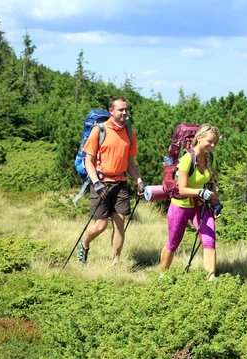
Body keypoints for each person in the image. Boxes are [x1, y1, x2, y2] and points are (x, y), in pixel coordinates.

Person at [77, 96, 145, 265]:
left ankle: (115, 264)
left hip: (121, 183)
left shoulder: (130, 132)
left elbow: (130, 163)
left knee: (119, 224)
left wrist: (139, 181)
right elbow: (88, 161)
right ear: (111, 111)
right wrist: (96, 183)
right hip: (101, 182)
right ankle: (84, 244)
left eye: (126, 109)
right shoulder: (100, 130)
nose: (124, 112)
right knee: (100, 226)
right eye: (120, 109)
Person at [160, 123, 222, 280]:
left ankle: (210, 279)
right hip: (180, 206)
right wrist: (200, 192)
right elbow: (182, 189)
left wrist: (215, 202)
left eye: (215, 142)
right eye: (210, 141)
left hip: (200, 206)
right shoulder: (188, 159)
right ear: (199, 138)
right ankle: (163, 275)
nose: (213, 145)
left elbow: (211, 183)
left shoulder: (209, 158)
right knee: (173, 242)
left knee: (209, 240)